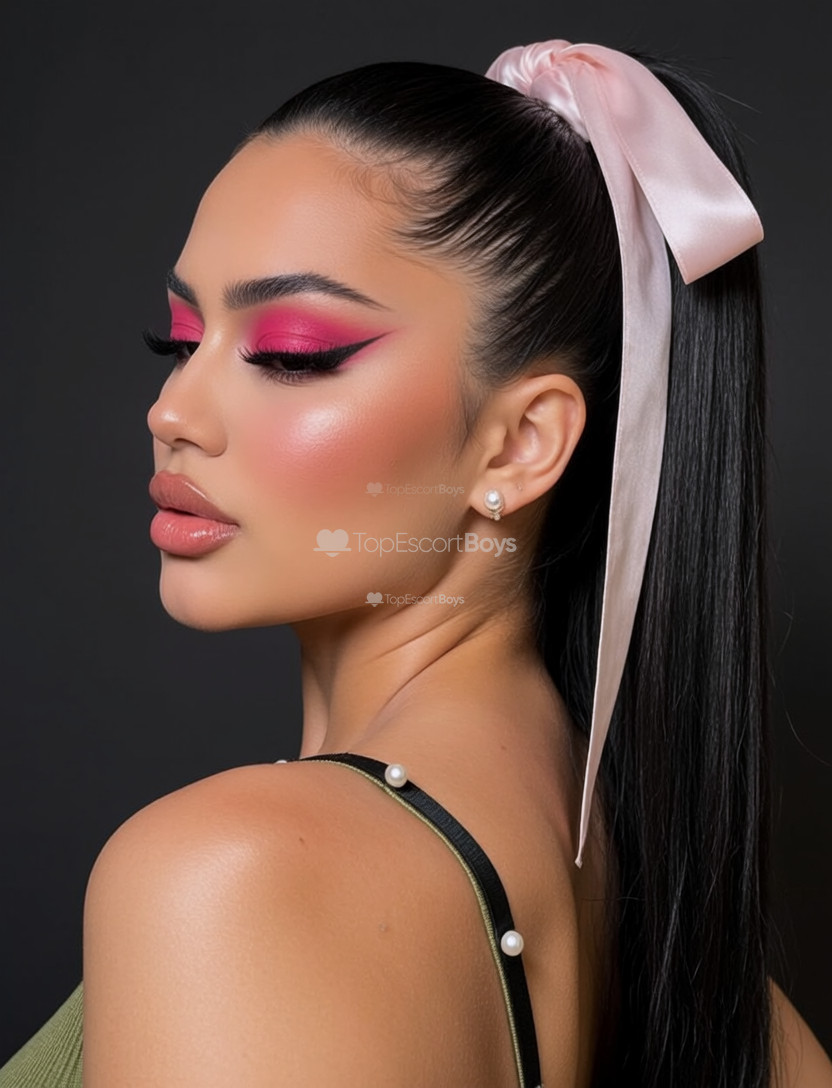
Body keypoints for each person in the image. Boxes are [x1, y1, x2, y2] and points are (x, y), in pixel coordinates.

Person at [1, 36, 830, 1088]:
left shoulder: (230, 878)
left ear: (518, 443)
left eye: (291, 354)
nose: (172, 412)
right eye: (179, 339)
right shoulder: (678, 930)